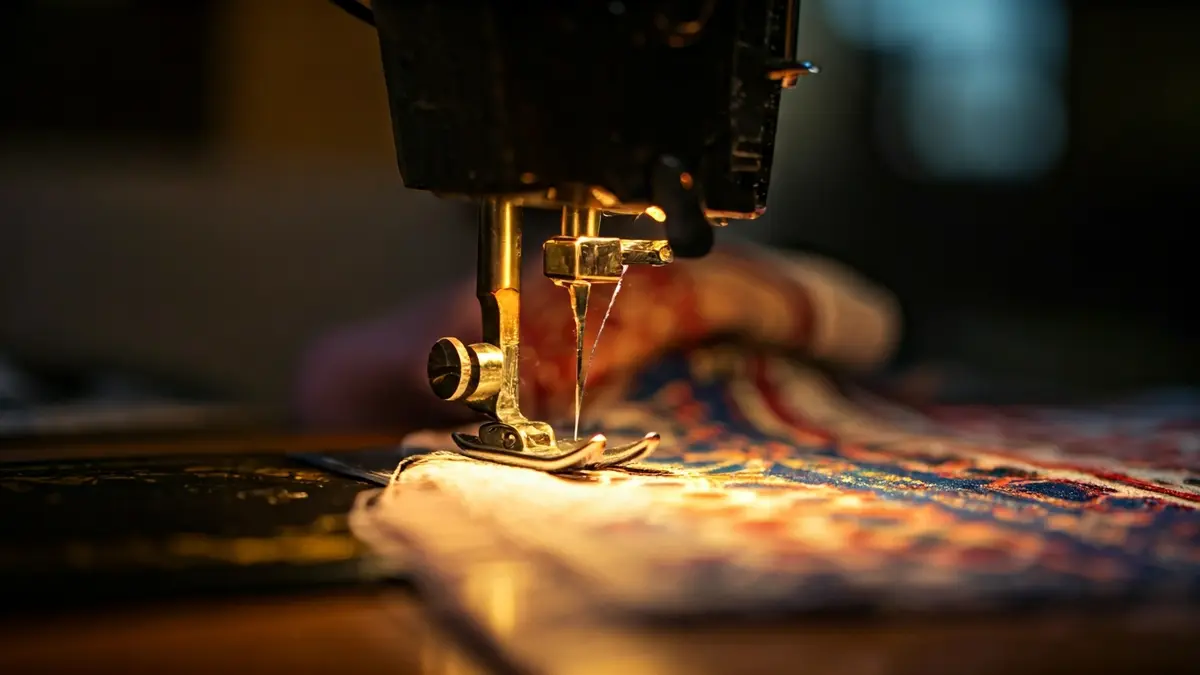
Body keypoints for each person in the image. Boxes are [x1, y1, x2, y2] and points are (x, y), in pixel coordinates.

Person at [295, 241, 902, 436]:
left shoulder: (741, 277)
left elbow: (877, 324)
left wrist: (721, 295)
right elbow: (326, 378)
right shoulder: (491, 300)